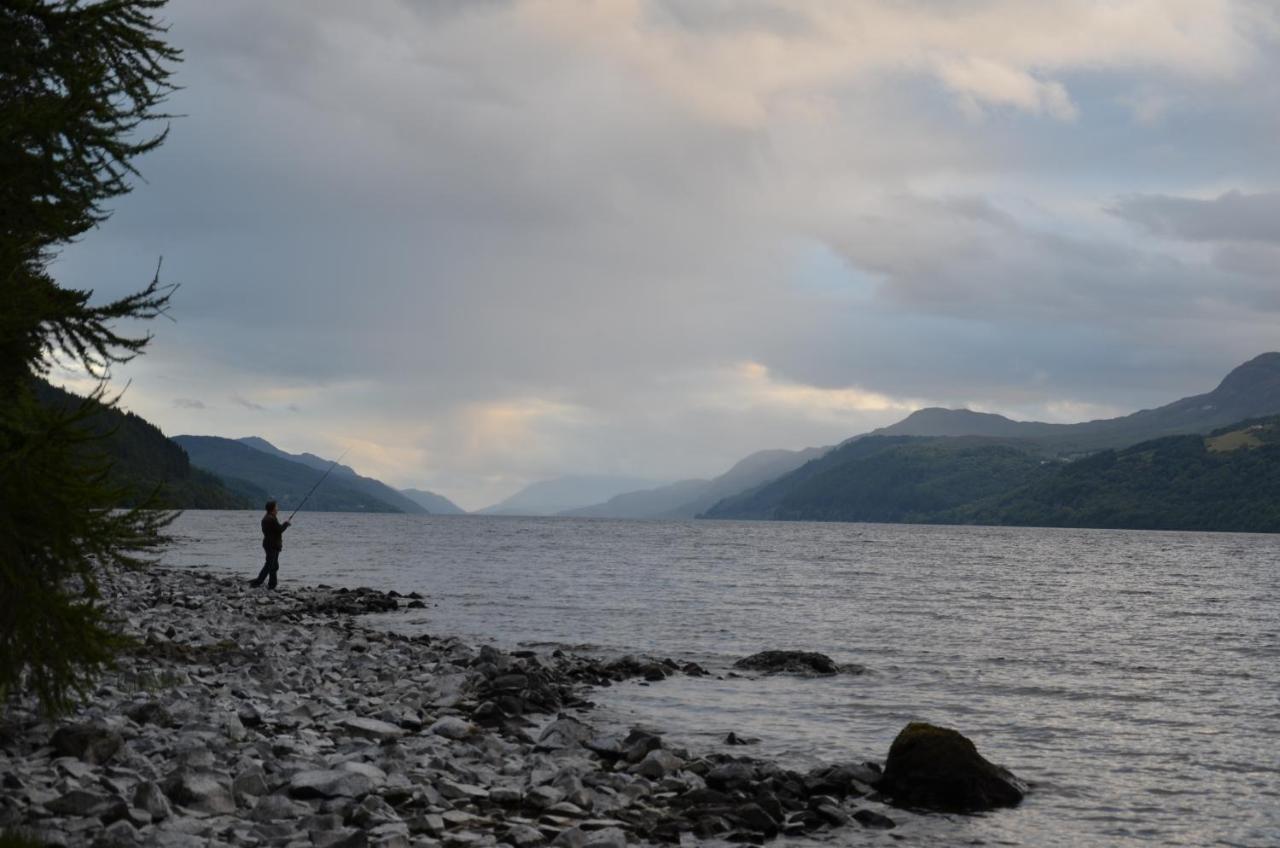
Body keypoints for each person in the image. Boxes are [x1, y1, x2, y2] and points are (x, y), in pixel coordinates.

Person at [250, 500, 291, 589]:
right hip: (272, 545)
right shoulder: (271, 519)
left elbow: (275, 530)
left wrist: (284, 524)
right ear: (272, 508)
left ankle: (272, 584)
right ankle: (257, 583)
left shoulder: (268, 518)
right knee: (269, 565)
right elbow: (279, 530)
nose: (278, 509)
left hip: (270, 544)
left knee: (274, 566)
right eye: (276, 507)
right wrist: (286, 524)